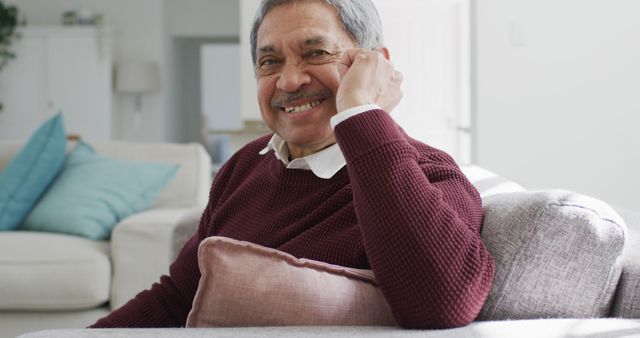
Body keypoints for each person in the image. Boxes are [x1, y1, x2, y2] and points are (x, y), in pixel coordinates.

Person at [91, 0, 494, 329]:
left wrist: (360, 112)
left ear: (374, 65)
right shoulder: (246, 165)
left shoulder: (427, 173)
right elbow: (176, 299)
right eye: (269, 62)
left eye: (315, 52)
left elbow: (443, 304)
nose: (288, 81)